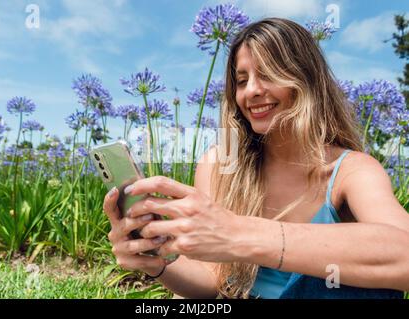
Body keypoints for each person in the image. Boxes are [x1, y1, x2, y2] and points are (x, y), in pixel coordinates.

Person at [103, 18, 409, 299]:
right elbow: (213, 281)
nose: (252, 91)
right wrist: (155, 261)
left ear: (306, 80)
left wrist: (238, 233)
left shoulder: (351, 170)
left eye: (268, 74)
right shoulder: (220, 165)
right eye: (241, 80)